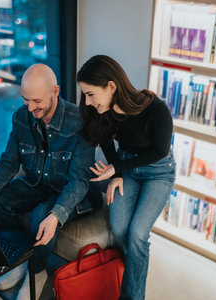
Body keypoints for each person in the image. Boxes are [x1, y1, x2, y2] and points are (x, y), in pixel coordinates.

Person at [0, 64, 99, 299]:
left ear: (55, 91)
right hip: (37, 185)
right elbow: (8, 162)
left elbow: (79, 181)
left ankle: (37, 270)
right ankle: (24, 259)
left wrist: (55, 215)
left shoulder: (80, 123)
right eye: (26, 100)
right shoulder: (20, 118)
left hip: (70, 192)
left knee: (40, 217)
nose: (30, 107)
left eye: (37, 101)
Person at [77, 55, 175, 300]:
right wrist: (118, 173)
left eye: (90, 94)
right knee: (120, 229)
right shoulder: (104, 110)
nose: (88, 102)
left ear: (111, 86)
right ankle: (133, 266)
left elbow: (160, 151)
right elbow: (105, 139)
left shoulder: (156, 109)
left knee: (138, 233)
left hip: (159, 171)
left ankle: (131, 297)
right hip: (127, 170)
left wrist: (117, 167)